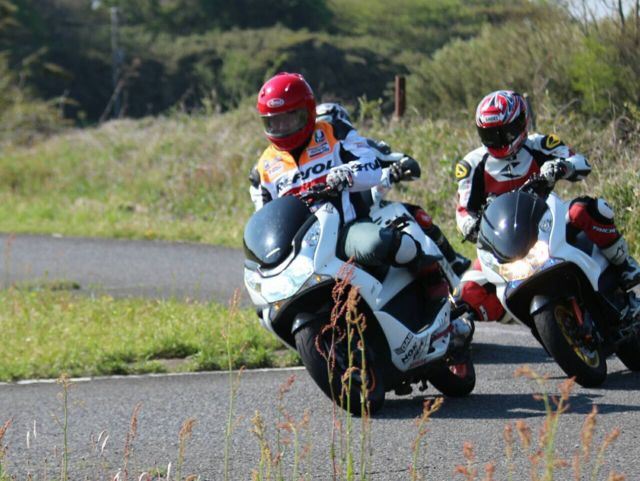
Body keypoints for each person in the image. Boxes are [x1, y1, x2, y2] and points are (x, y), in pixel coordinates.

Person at [455, 89, 640, 323]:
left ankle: (624, 265)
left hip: (547, 221)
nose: (499, 140)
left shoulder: (539, 144)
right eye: (490, 134)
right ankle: (520, 318)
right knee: (467, 292)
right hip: (503, 240)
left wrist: (562, 167)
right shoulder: (472, 164)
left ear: (521, 123)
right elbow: (463, 208)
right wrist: (469, 225)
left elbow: (581, 162)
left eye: (505, 132)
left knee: (587, 210)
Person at [250, 72, 435, 277]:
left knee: (380, 243)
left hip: (345, 231)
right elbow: (264, 222)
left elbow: (371, 166)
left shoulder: (334, 132)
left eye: (289, 118)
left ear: (308, 111)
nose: (281, 127)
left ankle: (430, 274)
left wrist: (347, 174)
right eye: (274, 121)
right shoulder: (262, 169)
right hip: (299, 252)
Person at [314, 102, 471, 276]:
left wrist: (397, 169)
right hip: (325, 229)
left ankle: (451, 259)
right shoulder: (304, 165)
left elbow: (407, 163)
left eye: (330, 123)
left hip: (370, 209)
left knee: (414, 214)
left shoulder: (362, 146)